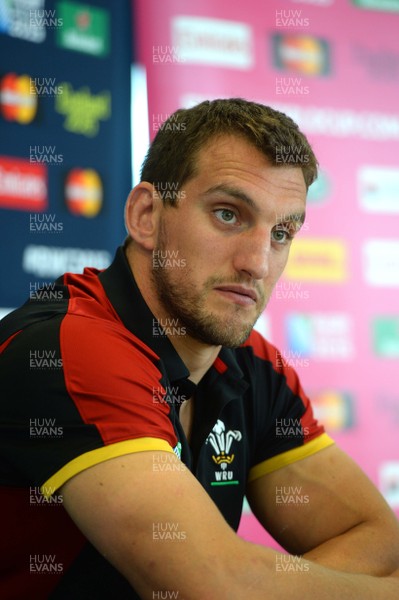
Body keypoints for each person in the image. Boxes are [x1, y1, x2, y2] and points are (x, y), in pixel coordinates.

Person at [1, 98, 399, 599]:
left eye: (281, 233)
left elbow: (378, 540)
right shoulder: (71, 346)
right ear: (146, 215)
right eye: (228, 214)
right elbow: (210, 588)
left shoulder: (255, 366)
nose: (257, 261)